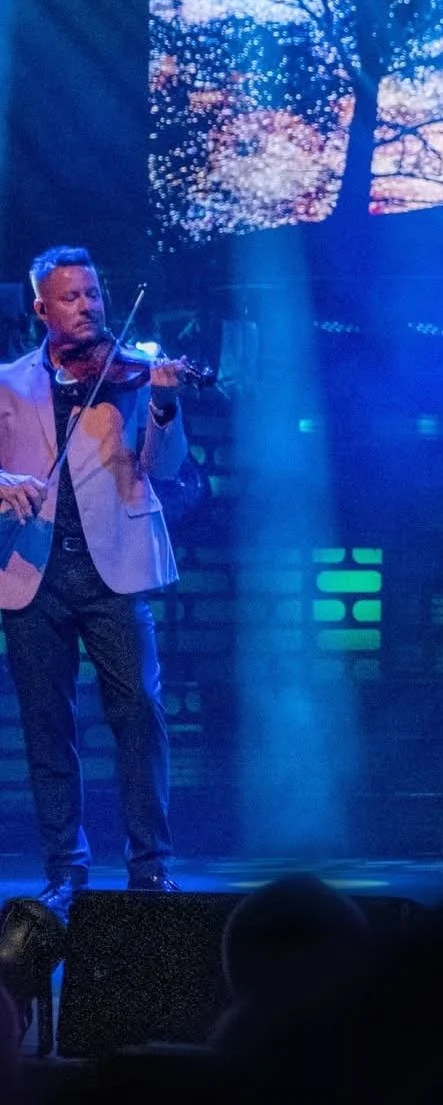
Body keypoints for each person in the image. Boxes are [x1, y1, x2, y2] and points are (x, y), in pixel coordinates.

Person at [0, 247, 184, 913]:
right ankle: (66, 867)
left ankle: (151, 863)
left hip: (114, 565)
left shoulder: (131, 373)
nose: (88, 306)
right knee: (48, 723)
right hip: (32, 570)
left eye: (94, 293)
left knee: (139, 712)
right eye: (72, 297)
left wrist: (162, 407)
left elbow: (166, 465)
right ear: (41, 308)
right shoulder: (9, 381)